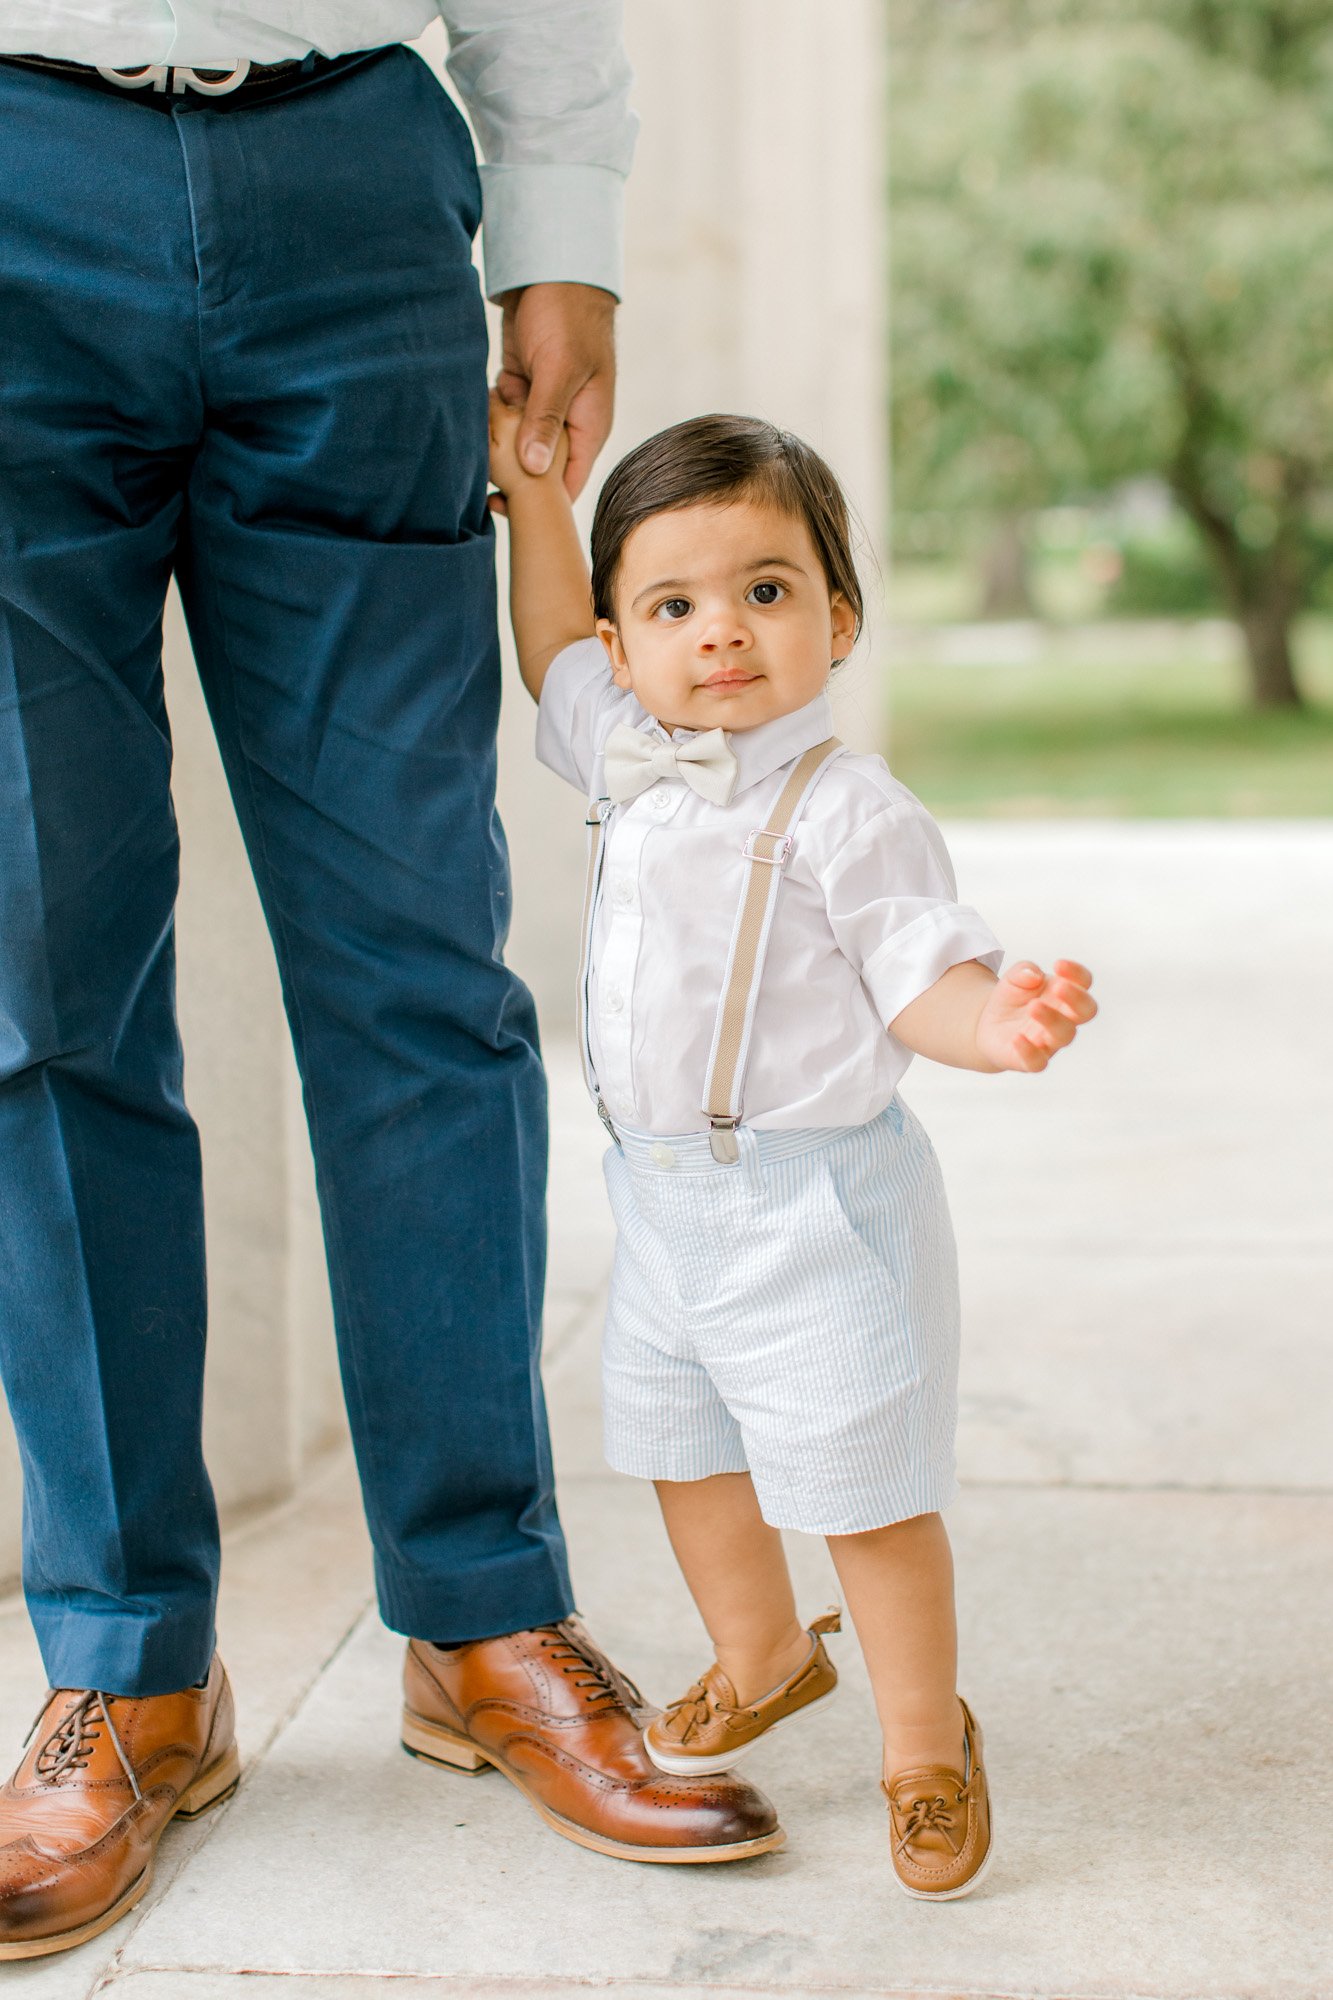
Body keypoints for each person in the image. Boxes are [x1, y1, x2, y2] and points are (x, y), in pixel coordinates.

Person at [0, 4, 783, 1965]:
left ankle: (479, 1610)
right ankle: (132, 1675)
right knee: (41, 986)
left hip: (348, 186)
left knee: (419, 962)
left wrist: (561, 226)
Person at [488, 399, 1098, 1900]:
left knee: (860, 1484)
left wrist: (996, 1023)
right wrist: (534, 500)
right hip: (662, 1199)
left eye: (765, 592)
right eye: (673, 605)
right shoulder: (626, 749)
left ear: (837, 616)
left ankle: (922, 1747)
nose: (722, 634)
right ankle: (761, 1653)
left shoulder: (853, 813)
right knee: (679, 1447)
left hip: (809, 1205)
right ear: (629, 647)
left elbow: (920, 974)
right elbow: (549, 644)